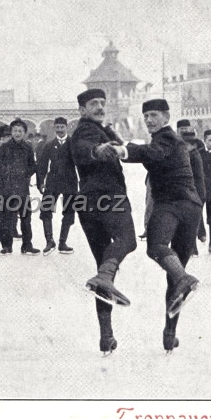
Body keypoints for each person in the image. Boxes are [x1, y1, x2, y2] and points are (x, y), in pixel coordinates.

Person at [124, 98, 201, 354]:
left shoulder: (166, 138)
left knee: (156, 247)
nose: (149, 120)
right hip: (190, 208)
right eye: (145, 116)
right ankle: (170, 334)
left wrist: (123, 151)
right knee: (175, 278)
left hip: (172, 204)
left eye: (154, 115)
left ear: (167, 118)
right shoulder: (165, 140)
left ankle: (184, 278)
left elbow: (152, 153)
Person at [69, 88, 136, 355]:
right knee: (127, 241)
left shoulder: (102, 130)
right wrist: (101, 149)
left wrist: (112, 140)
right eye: (93, 103)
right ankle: (105, 276)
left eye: (102, 103)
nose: (99, 107)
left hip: (88, 205)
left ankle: (106, 336)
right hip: (106, 198)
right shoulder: (85, 131)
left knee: (102, 277)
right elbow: (86, 148)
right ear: (82, 110)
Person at [0, 119, 40, 256]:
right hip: (8, 189)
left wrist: (26, 174)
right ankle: (7, 246)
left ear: (24, 133)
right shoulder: (3, 149)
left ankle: (27, 246)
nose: (17, 133)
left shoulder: (28, 147)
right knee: (8, 218)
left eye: (20, 131)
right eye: (15, 131)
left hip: (23, 189)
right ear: (11, 132)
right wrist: (3, 178)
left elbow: (32, 165)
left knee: (26, 218)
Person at [36, 117, 78, 255]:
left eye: (62, 127)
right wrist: (40, 181)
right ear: (54, 128)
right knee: (45, 210)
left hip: (70, 182)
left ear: (66, 128)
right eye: (57, 127)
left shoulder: (73, 144)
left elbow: (81, 164)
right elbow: (42, 165)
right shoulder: (48, 145)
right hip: (53, 182)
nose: (60, 130)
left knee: (69, 212)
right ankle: (49, 241)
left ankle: (62, 242)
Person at [181, 130, 206, 257]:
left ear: (192, 145)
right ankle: (200, 236)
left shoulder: (192, 156)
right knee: (192, 219)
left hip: (194, 191)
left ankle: (193, 248)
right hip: (195, 191)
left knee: (190, 221)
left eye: (185, 145)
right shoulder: (193, 154)